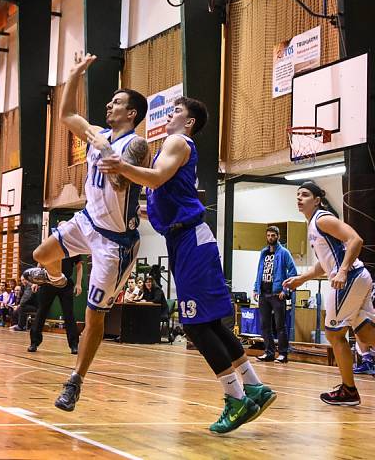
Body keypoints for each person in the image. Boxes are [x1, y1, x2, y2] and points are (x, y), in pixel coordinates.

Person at [102, 96, 276, 433]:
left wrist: (120, 166)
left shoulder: (177, 141)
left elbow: (153, 179)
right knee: (210, 323)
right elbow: (159, 190)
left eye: (178, 110)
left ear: (190, 121)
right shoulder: (170, 148)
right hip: (185, 239)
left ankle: (236, 397)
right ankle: (252, 385)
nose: (171, 114)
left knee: (195, 326)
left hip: (191, 240)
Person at [21, 52, 149, 413]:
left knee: (94, 316)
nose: (110, 105)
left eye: (117, 103)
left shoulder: (134, 145)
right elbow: (65, 115)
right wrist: (74, 74)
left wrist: (107, 152)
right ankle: (58, 280)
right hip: (88, 221)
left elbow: (124, 182)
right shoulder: (98, 134)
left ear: (132, 114)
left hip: (116, 242)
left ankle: (75, 380)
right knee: (41, 255)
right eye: (110, 102)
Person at [283, 181, 375, 406]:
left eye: (305, 195)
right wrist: (301, 278)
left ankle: (349, 391)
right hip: (355, 277)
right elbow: (323, 264)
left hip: (349, 278)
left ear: (317, 200)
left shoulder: (322, 219)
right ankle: (348, 390)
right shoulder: (313, 224)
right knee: (365, 334)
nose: (299, 198)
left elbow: (356, 240)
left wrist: (343, 271)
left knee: (334, 334)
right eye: (297, 195)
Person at [253, 226, 297, 363]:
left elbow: (293, 272)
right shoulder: (263, 253)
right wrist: (256, 289)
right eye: (268, 235)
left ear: (278, 236)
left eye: (273, 235)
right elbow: (259, 271)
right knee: (265, 326)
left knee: (280, 326)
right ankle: (269, 353)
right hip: (263, 294)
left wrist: (286, 290)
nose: (270, 238)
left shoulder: (284, 253)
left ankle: (283, 354)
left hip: (277, 294)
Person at [28, 255, 83, 354]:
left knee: (69, 314)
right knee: (41, 312)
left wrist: (78, 284)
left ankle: (74, 345)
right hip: (48, 282)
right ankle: (34, 343)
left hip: (65, 283)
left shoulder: (72, 245)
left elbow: (79, 265)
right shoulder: (52, 242)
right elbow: (40, 262)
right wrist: (36, 281)